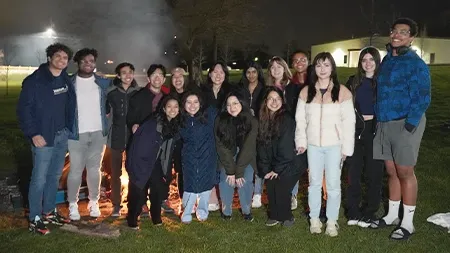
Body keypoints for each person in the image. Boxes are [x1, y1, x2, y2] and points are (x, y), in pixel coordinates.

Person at [371, 18, 431, 241]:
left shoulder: (415, 63)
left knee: (405, 172)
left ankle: (408, 223)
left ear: (411, 37)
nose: (397, 35)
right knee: (391, 171)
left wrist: (410, 125)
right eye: (394, 31)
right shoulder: (387, 59)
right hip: (385, 123)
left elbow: (423, 97)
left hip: (406, 122)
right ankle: (391, 216)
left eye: (403, 32)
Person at [17, 43, 75, 235]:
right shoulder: (34, 81)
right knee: (39, 178)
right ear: (49, 58)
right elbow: (24, 110)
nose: (61, 60)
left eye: (65, 58)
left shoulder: (66, 80)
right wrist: (33, 133)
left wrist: (68, 129)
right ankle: (35, 218)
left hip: (61, 135)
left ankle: (49, 211)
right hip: (43, 137)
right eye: (58, 56)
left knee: (54, 176)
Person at [295, 52, 355, 236]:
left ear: (332, 68)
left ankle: (331, 221)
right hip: (313, 146)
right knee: (313, 183)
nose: (322, 69)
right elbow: (301, 120)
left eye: (326, 65)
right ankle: (314, 219)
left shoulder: (342, 92)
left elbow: (348, 122)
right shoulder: (306, 92)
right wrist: (302, 142)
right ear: (315, 68)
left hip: (334, 146)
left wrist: (346, 148)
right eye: (319, 65)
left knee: (333, 184)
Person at [125, 96, 181, 229]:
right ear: (163, 108)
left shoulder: (174, 124)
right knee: (138, 190)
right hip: (143, 160)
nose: (172, 109)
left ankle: (156, 216)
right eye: (169, 106)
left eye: (176, 106)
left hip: (157, 162)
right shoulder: (153, 123)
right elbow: (140, 146)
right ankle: (132, 218)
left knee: (157, 189)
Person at [345, 47, 384, 227]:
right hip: (356, 130)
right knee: (353, 172)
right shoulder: (353, 82)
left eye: (371, 59)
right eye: (364, 60)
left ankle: (370, 211)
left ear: (377, 61)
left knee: (373, 173)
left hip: (375, 130)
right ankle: (353, 210)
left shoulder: (383, 82)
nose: (368, 63)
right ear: (360, 63)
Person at [257, 87, 304, 227]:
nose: (274, 102)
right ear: (265, 101)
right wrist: (266, 170)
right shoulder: (262, 119)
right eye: (271, 99)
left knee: (281, 185)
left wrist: (276, 170)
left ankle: (287, 217)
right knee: (271, 184)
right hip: (276, 162)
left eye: (277, 99)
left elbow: (286, 148)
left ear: (282, 101)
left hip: (293, 161)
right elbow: (261, 147)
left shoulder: (286, 119)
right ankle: (275, 215)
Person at [215, 92, 258, 221]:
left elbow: (249, 148)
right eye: (228, 105)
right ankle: (226, 211)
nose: (232, 107)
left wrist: (238, 172)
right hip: (228, 156)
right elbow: (221, 147)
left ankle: (246, 210)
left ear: (242, 104)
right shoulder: (220, 120)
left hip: (247, 156)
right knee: (226, 180)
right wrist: (230, 171)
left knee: (245, 180)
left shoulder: (252, 121)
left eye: (235, 103)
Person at [106, 62, 140, 217]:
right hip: (116, 136)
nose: (128, 75)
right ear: (118, 76)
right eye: (124, 73)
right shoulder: (111, 92)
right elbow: (106, 112)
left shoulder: (138, 92)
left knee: (134, 170)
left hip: (134, 137)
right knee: (115, 172)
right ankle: (116, 204)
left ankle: (136, 201)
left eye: (130, 72)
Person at [179, 91, 218, 223]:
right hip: (189, 157)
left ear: (200, 104)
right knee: (191, 183)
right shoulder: (181, 120)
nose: (192, 105)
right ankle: (188, 209)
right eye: (188, 102)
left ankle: (202, 209)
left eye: (195, 102)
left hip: (207, 155)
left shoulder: (209, 116)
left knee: (206, 183)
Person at [201, 62, 233, 211]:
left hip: (226, 134)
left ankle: (225, 198)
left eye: (221, 72)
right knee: (209, 164)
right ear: (209, 74)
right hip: (207, 134)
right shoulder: (203, 91)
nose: (218, 75)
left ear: (225, 75)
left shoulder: (231, 91)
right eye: (215, 72)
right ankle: (212, 195)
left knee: (224, 164)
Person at [236, 61, 266, 209]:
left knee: (259, 160)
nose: (251, 75)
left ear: (258, 73)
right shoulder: (241, 88)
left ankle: (258, 193)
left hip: (260, 128)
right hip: (245, 129)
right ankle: (246, 189)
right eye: (248, 72)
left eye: (254, 72)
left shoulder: (264, 89)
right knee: (247, 157)